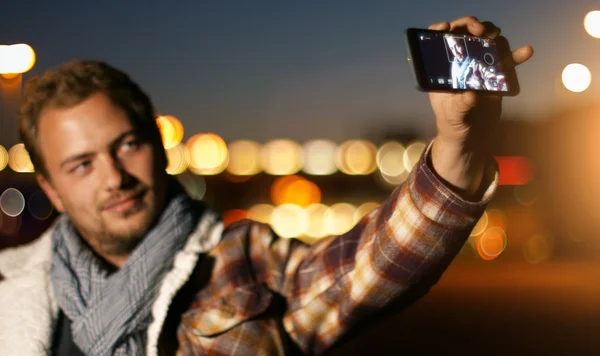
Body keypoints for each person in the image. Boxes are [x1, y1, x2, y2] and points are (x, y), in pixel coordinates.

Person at [0, 16, 533, 356]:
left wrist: (459, 143)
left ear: (158, 146)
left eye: (126, 145)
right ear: (49, 186)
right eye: (81, 165)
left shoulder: (246, 260)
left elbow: (371, 266)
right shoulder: (11, 291)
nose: (114, 177)